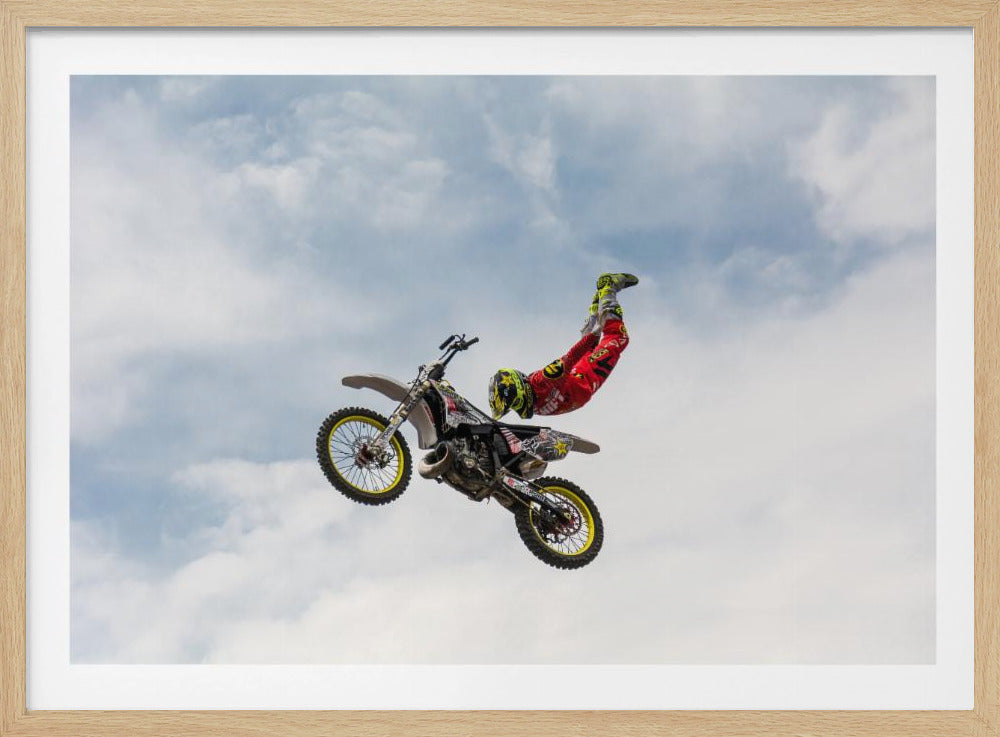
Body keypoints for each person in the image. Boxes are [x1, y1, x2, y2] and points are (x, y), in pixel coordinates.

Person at [488, 273, 638, 420]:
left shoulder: (542, 380)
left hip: (583, 378)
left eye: (514, 402)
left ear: (518, 388)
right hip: (578, 383)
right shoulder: (534, 402)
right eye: (512, 407)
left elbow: (571, 357)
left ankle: (608, 289)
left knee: (618, 337)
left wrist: (594, 332)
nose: (517, 408)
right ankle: (596, 306)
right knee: (592, 348)